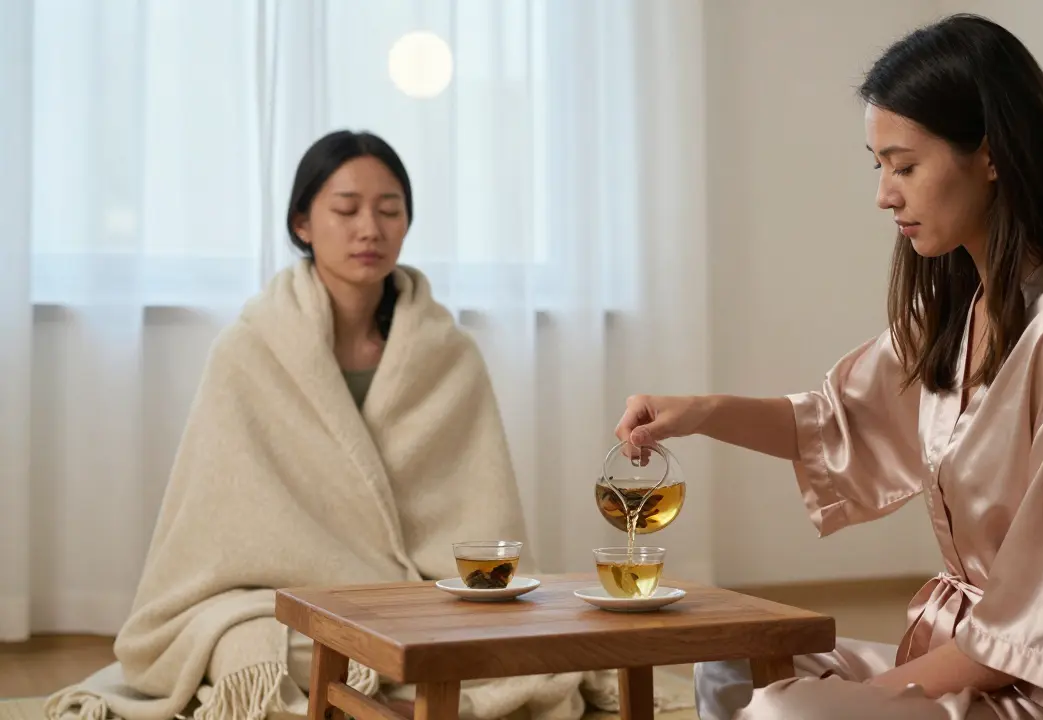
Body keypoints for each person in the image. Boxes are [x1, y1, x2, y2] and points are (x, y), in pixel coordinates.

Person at [613, 14, 1043, 720]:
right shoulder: (966, 308)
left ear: (990, 155)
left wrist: (857, 694)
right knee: (729, 668)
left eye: (905, 165)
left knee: (784, 711)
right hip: (974, 653)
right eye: (879, 165)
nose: (885, 194)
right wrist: (697, 413)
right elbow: (833, 420)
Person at [45, 130, 682, 720]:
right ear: (303, 222)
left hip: (424, 597)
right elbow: (216, 514)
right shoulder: (249, 349)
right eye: (345, 209)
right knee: (254, 652)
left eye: (389, 209)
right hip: (284, 600)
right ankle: (384, 695)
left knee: (522, 659)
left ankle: (369, 697)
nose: (369, 228)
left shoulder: (449, 353)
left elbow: (479, 508)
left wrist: (442, 598)